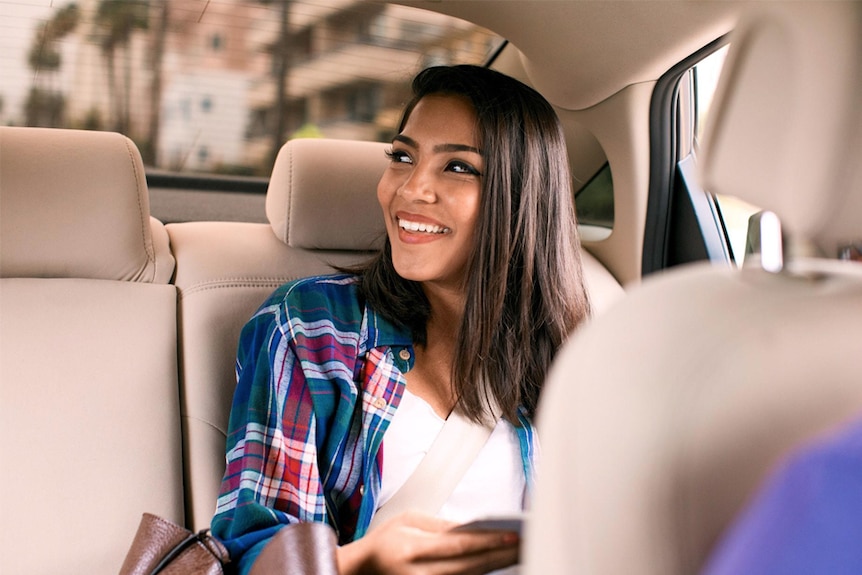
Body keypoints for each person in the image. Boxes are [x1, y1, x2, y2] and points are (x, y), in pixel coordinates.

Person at [211, 64, 591, 575]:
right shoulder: (309, 330)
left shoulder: (577, 359)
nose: (411, 189)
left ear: (522, 197)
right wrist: (357, 562)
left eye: (458, 167)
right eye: (402, 157)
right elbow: (252, 549)